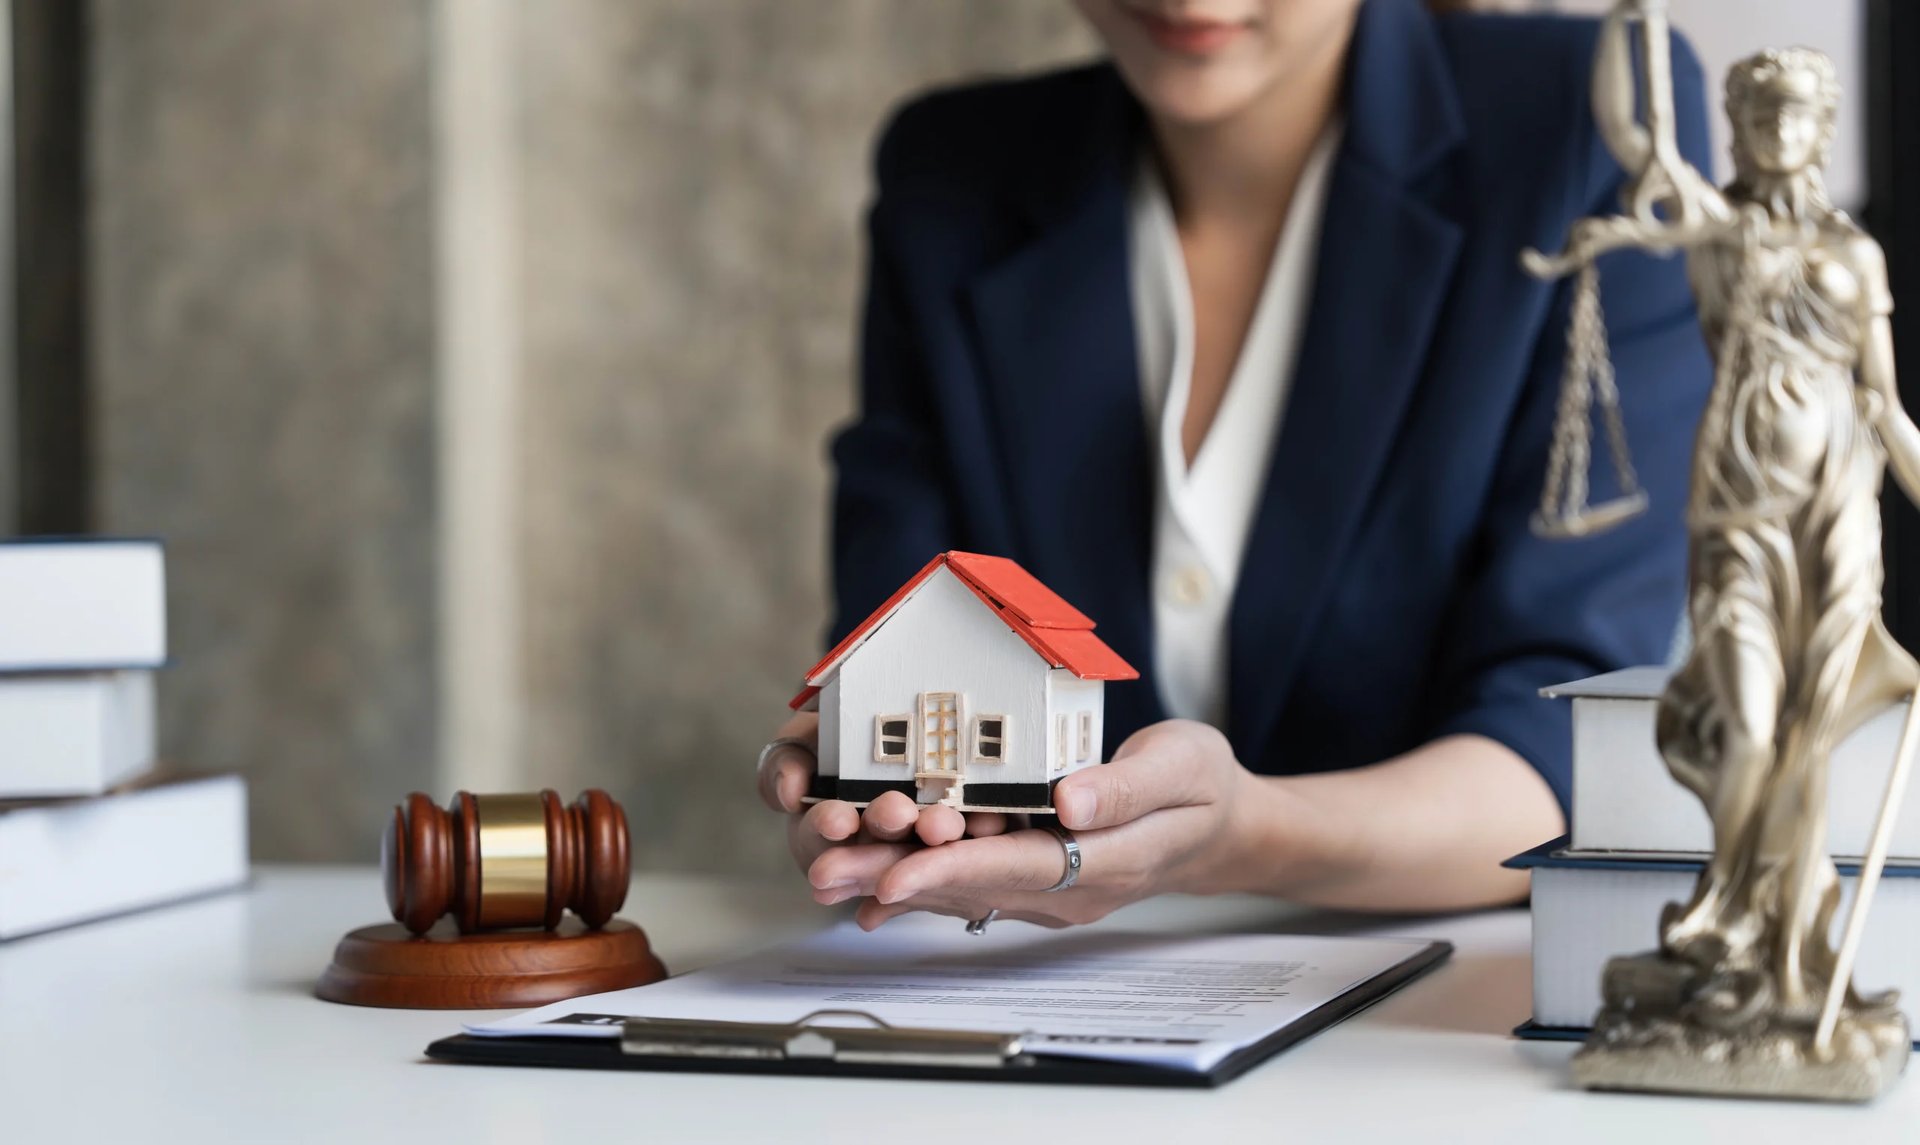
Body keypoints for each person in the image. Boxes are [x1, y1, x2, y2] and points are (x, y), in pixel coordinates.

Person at [758, 0, 1716, 930]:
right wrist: (880, 786)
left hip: (1434, 1013)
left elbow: (1574, 734)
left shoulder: (1587, 115)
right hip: (1030, 1002)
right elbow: (900, 639)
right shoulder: (952, 180)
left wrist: (1240, 838)